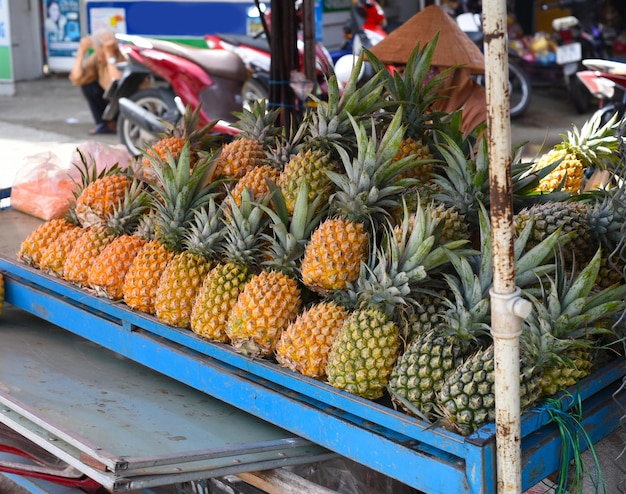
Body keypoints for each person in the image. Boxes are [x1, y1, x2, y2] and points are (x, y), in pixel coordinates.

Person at [368, 5, 486, 135]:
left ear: (446, 69)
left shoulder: (482, 111)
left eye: (415, 66)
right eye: (400, 67)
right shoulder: (421, 107)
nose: (404, 75)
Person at [68, 29, 122, 135]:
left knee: (115, 92)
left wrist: (109, 55)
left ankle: (121, 124)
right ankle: (105, 124)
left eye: (99, 50)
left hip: (128, 101)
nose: (98, 55)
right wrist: (81, 52)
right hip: (112, 101)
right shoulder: (98, 57)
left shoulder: (121, 55)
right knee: (88, 85)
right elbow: (77, 78)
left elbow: (116, 83)